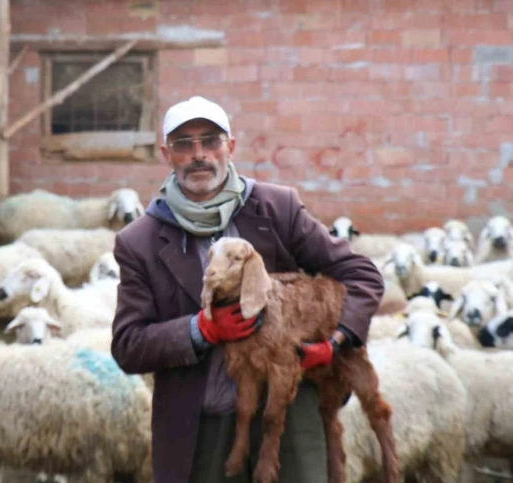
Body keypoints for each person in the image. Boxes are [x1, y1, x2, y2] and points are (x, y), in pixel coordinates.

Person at [110, 96, 384, 483]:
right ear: (166, 154)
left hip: (288, 407)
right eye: (183, 144)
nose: (199, 155)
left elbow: (361, 274)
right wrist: (199, 330)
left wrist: (336, 342)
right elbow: (128, 344)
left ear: (231, 146)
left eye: (210, 141)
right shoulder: (140, 240)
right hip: (202, 419)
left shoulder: (275, 208)